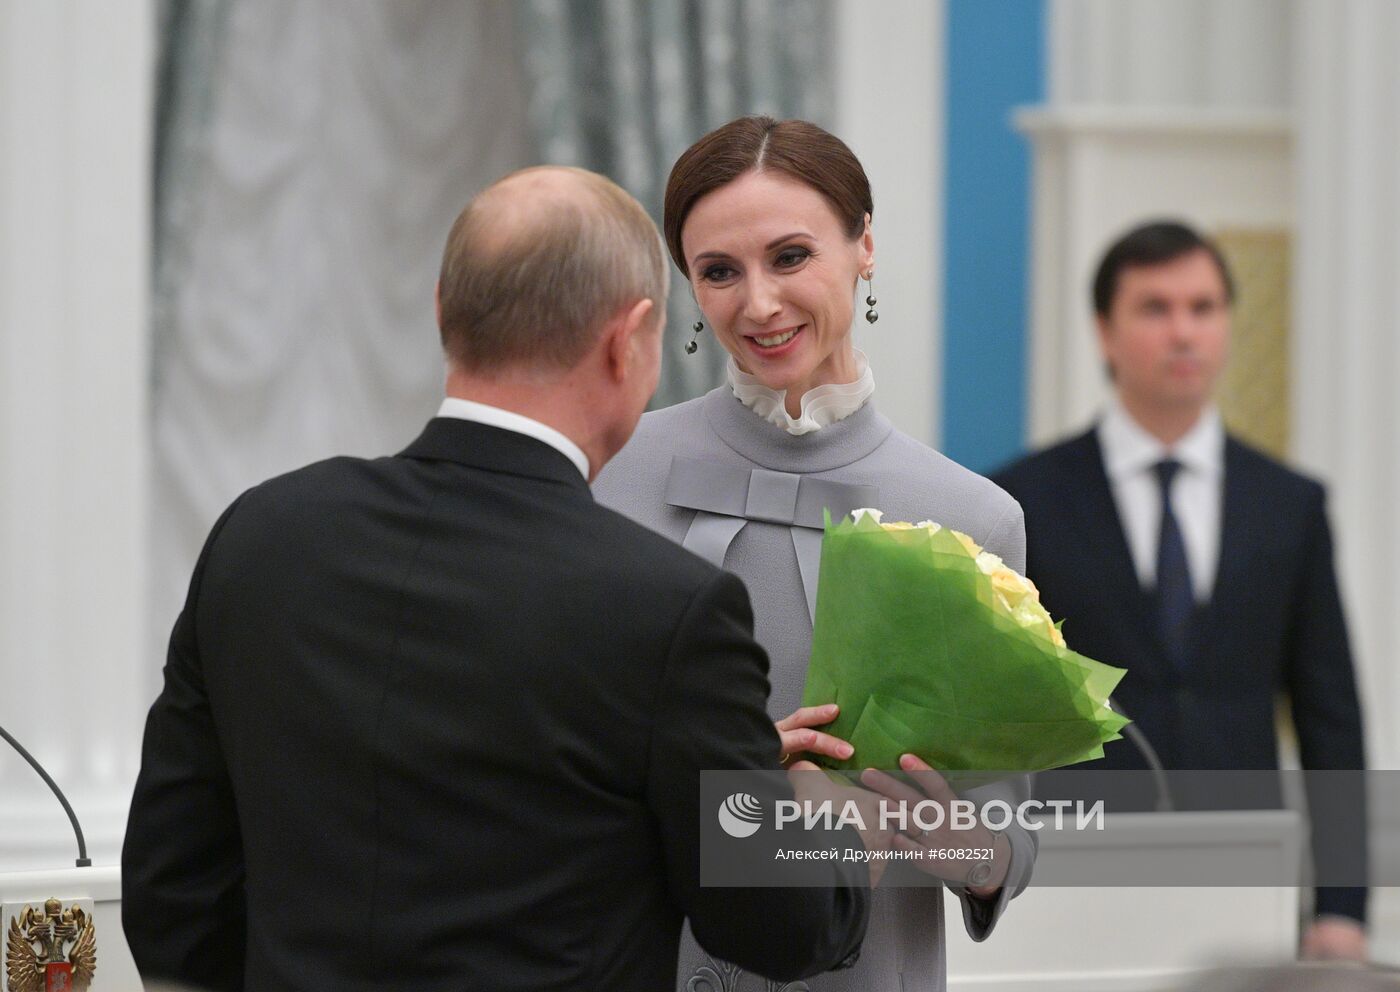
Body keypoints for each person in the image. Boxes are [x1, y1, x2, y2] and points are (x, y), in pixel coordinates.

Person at [121, 166, 872, 991]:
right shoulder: (667, 610)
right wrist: (820, 806)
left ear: (444, 308)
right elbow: (788, 928)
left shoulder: (260, 534)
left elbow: (172, 898)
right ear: (630, 340)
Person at [594, 116, 1037, 992]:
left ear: (864, 245)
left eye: (789, 256)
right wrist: (715, 782)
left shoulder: (973, 519)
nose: (757, 303)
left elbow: (1005, 834)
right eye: (719, 272)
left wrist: (962, 845)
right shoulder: (609, 471)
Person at [993, 220, 1368, 960]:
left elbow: (1332, 716)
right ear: (1105, 330)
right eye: (1155, 308)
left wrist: (1343, 904)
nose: (1183, 332)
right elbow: (994, 712)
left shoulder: (1289, 505)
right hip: (1075, 874)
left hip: (1246, 876)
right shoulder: (1023, 501)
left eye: (1203, 307)